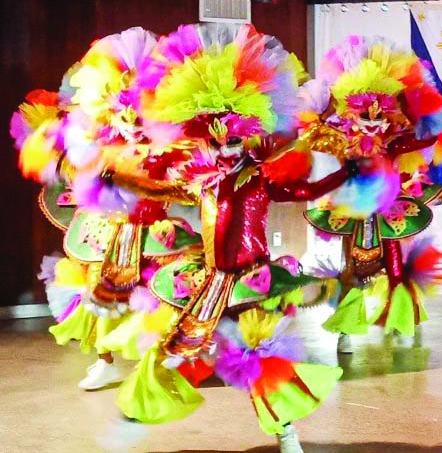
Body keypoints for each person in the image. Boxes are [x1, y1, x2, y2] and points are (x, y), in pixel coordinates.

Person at [98, 23, 348, 453]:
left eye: (232, 140)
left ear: (245, 137)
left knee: (262, 359)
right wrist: (121, 175)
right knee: (177, 349)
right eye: (215, 142)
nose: (224, 150)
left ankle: (287, 434)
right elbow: (160, 188)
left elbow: (304, 191)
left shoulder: (257, 179)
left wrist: (346, 173)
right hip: (210, 282)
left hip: (251, 283)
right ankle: (135, 417)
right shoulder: (202, 182)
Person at [10, 28, 200, 390]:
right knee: (97, 289)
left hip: (152, 229)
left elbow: (175, 178)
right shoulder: (99, 129)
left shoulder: (165, 135)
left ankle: (160, 360)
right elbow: (78, 161)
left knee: (158, 292)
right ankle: (106, 360)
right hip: (108, 228)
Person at [296, 36, 442, 350]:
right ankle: (346, 330)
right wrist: (320, 115)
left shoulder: (393, 143)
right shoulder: (342, 142)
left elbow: (423, 139)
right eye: (366, 114)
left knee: (394, 270)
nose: (373, 121)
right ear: (353, 112)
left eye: (380, 115)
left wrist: (424, 114)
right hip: (353, 214)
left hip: (388, 214)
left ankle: (401, 320)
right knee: (352, 272)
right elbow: (313, 135)